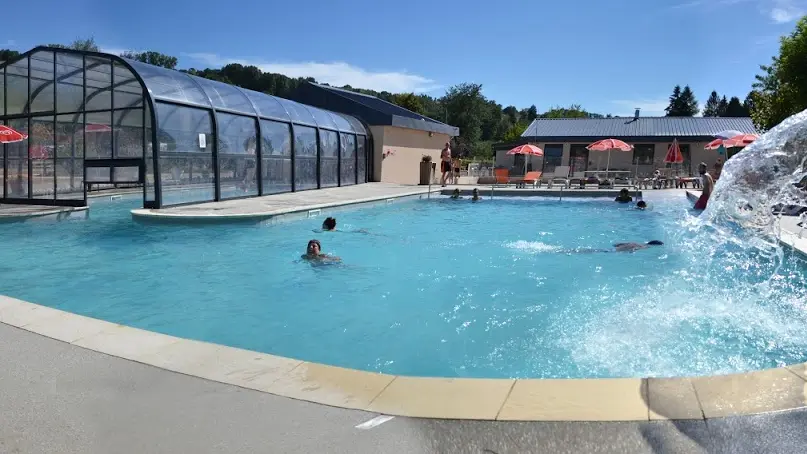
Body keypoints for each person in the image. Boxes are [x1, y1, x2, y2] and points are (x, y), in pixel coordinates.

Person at [563, 240, 664, 254]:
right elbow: (634, 250)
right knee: (591, 252)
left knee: (591, 250)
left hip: (612, 249)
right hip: (613, 252)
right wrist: (632, 253)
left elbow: (616, 244)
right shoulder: (644, 247)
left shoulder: (634, 242)